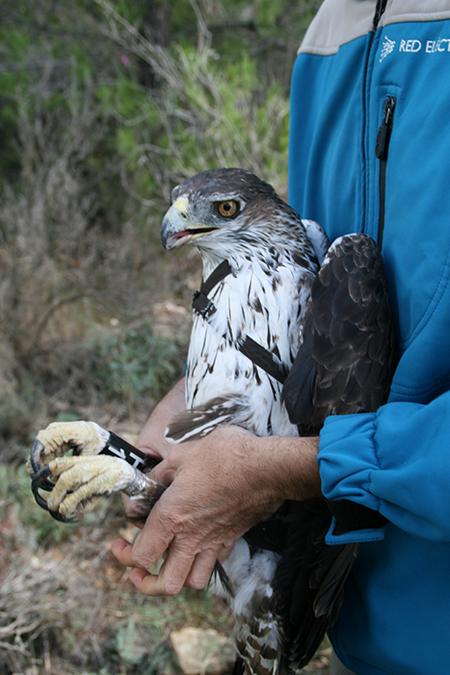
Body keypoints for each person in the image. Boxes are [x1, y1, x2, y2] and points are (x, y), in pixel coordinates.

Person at [112, 1, 450, 673]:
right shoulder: (332, 30)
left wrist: (271, 470)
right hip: (366, 630)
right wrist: (193, 409)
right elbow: (318, 317)